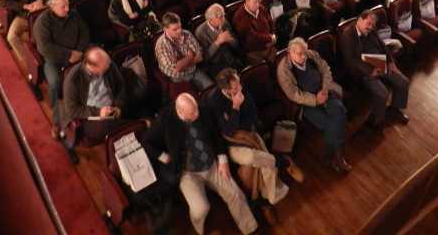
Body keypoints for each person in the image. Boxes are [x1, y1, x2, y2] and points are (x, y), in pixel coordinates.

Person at [144, 93, 258, 235]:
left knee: (236, 194)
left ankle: (250, 230)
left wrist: (223, 160)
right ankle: (200, 230)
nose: (197, 115)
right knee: (201, 209)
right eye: (192, 114)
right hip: (187, 173)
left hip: (212, 165)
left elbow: (216, 136)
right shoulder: (165, 118)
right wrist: (164, 157)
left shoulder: (203, 109)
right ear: (180, 112)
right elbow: (147, 143)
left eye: (196, 109)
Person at [208, 69, 303, 224]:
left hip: (250, 134)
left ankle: (267, 204)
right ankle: (283, 161)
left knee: (265, 167)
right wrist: (236, 107)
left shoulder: (242, 89)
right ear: (226, 89)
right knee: (253, 157)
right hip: (232, 143)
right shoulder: (215, 101)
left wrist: (236, 120)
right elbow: (228, 131)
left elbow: (253, 117)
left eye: (239, 82)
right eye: (235, 87)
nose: (240, 87)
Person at [277, 37, 351, 173]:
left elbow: (326, 70)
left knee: (339, 111)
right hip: (307, 103)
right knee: (331, 123)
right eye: (300, 54)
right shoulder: (284, 69)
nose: (304, 56)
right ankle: (338, 157)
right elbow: (293, 94)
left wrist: (325, 89)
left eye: (304, 52)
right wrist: (315, 100)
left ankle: (330, 157)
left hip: (324, 92)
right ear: (290, 52)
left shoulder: (311, 55)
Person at [34, 0, 90, 148]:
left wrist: (79, 51)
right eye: (63, 6)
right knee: (54, 83)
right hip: (55, 59)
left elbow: (85, 32)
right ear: (52, 6)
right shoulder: (42, 22)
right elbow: (44, 47)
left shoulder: (73, 14)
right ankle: (57, 122)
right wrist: (68, 55)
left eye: (68, 5)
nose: (67, 9)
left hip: (77, 54)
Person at [338, 9, 410, 130]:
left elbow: (382, 45)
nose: (371, 27)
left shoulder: (371, 29)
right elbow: (351, 61)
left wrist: (390, 62)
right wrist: (370, 71)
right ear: (360, 20)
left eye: (373, 25)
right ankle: (375, 121)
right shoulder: (347, 35)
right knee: (383, 93)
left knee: (403, 82)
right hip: (362, 69)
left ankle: (395, 109)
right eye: (368, 23)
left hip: (378, 60)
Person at [61, 46, 130, 149]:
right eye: (105, 68)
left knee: (137, 100)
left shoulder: (108, 64)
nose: (109, 67)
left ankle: (137, 127)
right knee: (105, 126)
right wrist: (99, 112)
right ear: (92, 67)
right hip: (90, 116)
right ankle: (139, 126)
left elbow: (121, 85)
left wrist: (118, 107)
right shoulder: (72, 80)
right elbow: (72, 110)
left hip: (112, 106)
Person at [155, 12, 214, 91]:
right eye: (175, 29)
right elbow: (177, 69)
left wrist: (183, 63)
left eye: (180, 27)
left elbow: (200, 56)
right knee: (191, 98)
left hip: (193, 71)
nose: (179, 31)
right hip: (177, 78)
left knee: (212, 90)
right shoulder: (161, 45)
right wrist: (190, 56)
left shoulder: (187, 34)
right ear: (165, 29)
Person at [194, 4, 243, 77]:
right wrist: (218, 42)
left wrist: (231, 40)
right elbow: (205, 57)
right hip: (216, 65)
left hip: (231, 59)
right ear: (211, 20)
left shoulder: (225, 23)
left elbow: (237, 45)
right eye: (220, 17)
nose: (224, 19)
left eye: (224, 15)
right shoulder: (200, 32)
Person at [232, 0, 277, 65]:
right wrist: (269, 38)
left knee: (278, 61)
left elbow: (271, 22)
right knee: (264, 68)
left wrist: (273, 35)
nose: (258, 5)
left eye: (259, 2)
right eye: (255, 2)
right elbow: (251, 38)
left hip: (269, 45)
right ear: (247, 0)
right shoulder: (239, 16)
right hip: (253, 51)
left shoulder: (261, 8)